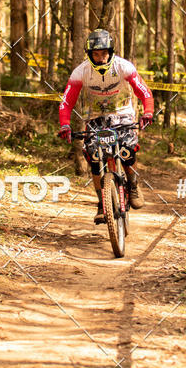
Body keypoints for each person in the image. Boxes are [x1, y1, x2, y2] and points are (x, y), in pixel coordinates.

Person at [58, 29, 154, 224]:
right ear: (90, 54)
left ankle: (133, 185)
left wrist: (148, 112)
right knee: (94, 158)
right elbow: (66, 102)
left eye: (104, 53)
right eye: (96, 54)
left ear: (110, 52)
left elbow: (145, 92)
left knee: (127, 151)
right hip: (94, 118)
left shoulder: (123, 67)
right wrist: (65, 125)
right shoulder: (81, 72)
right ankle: (102, 202)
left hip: (123, 115)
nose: (100, 58)